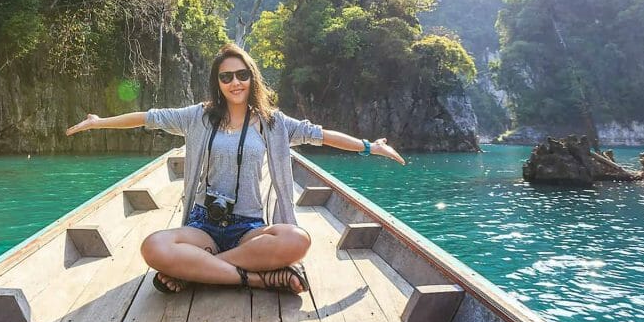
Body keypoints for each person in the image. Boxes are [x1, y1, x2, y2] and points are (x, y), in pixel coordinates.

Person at [65, 42, 405, 295]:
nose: (235, 82)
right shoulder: (198, 117)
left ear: (252, 78)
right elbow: (148, 118)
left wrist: (369, 147)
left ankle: (197, 270)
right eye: (226, 77)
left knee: (297, 240)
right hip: (204, 224)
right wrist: (99, 122)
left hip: (248, 227)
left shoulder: (274, 123)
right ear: (218, 82)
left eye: (242, 75)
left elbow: (321, 135)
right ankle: (255, 278)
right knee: (153, 247)